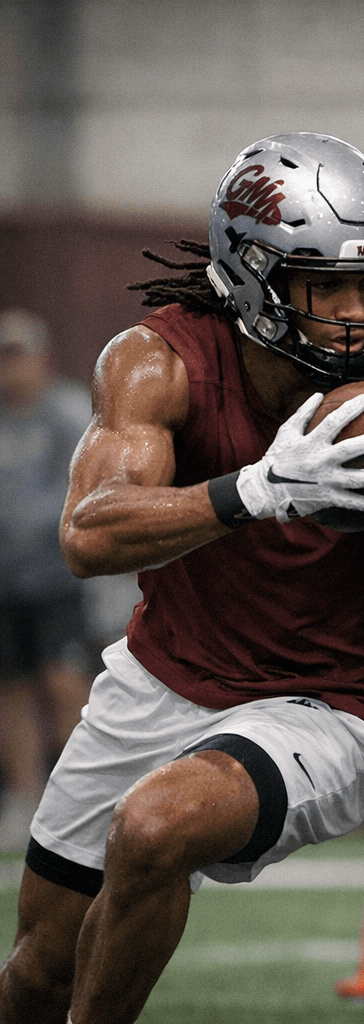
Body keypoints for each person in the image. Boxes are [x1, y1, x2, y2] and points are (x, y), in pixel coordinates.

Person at [0, 132, 364, 1024]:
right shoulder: (157, 362)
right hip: (166, 676)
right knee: (36, 974)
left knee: (159, 824)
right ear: (253, 276)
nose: (358, 312)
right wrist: (254, 490)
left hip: (336, 702)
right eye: (327, 285)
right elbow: (87, 536)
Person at [0, 310, 94, 851]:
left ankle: (80, 791)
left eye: (19, 357)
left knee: (64, 683)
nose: (12, 371)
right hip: (5, 582)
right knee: (10, 690)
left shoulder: (68, 413)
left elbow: (81, 490)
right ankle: (24, 797)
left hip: (59, 578)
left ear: (43, 360)